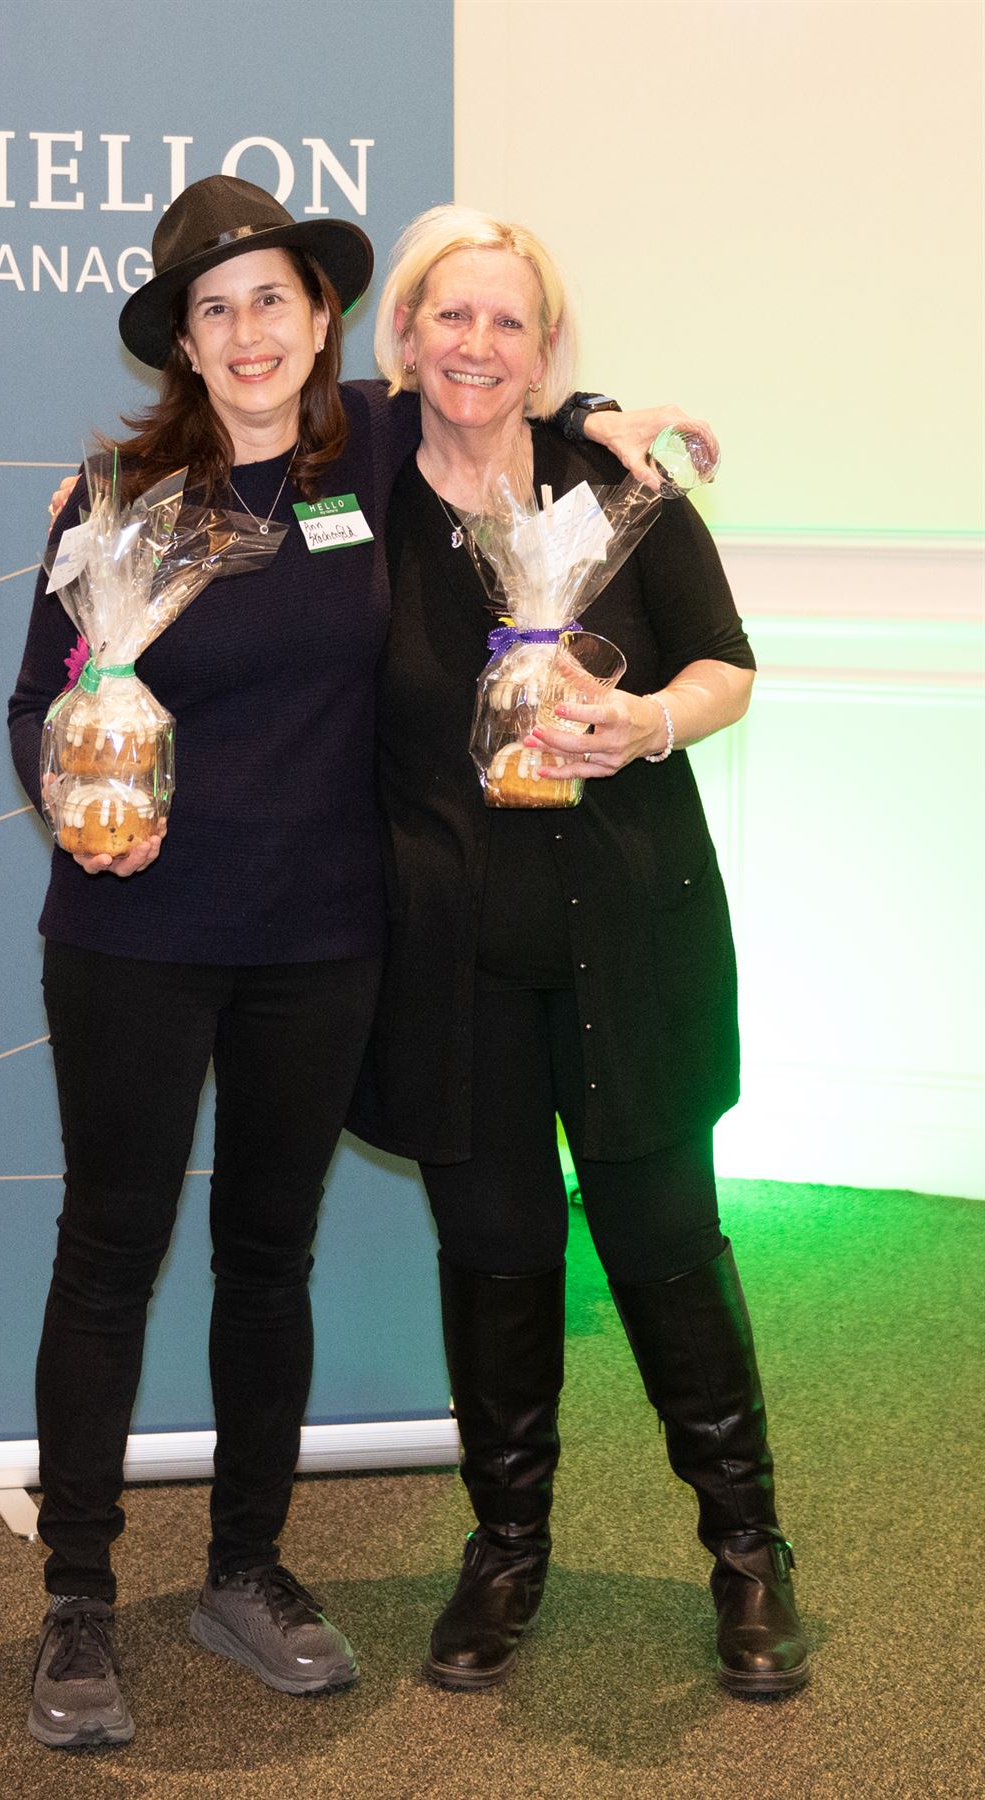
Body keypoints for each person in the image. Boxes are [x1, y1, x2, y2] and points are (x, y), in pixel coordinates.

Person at [10, 173, 683, 1749]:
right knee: (108, 1257)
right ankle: (78, 1598)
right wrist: (73, 806)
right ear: (184, 341)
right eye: (216, 308)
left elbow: (489, 383)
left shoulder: (371, 451)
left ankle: (245, 1567)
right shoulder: (115, 501)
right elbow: (38, 701)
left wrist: (599, 417)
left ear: (323, 322)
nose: (250, 332)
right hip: (134, 940)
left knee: (271, 1258)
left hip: (322, 944)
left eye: (275, 299)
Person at [347, 205, 810, 1699]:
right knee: (494, 1253)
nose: (477, 345)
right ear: (403, 333)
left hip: (633, 937)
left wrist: (650, 721)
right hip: (450, 965)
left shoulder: (622, 492)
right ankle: (505, 1549)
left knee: (668, 1246)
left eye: (510, 321)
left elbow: (728, 664)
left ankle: (749, 1552)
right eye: (451, 315)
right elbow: (244, 417)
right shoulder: (353, 500)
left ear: (547, 350)